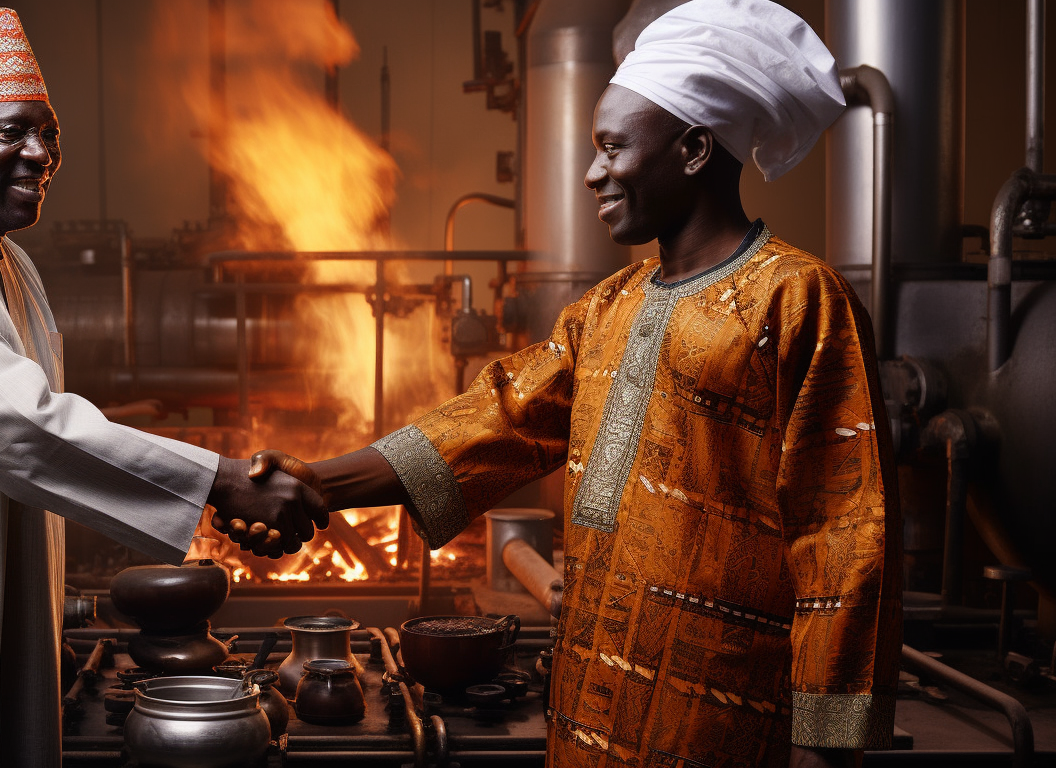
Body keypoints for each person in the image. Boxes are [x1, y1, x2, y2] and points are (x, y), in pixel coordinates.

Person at [249, 1, 900, 766]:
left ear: (694, 148)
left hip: (720, 722)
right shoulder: (604, 309)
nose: (592, 171)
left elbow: (847, 539)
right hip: (588, 714)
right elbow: (497, 419)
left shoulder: (798, 300)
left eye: (613, 146)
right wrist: (315, 481)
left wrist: (825, 748)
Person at [0, 9, 323, 767]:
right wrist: (224, 483)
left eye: (49, 134)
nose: (39, 154)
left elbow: (39, 439)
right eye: (10, 132)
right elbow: (20, 431)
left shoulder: (10, 266)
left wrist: (212, 485)